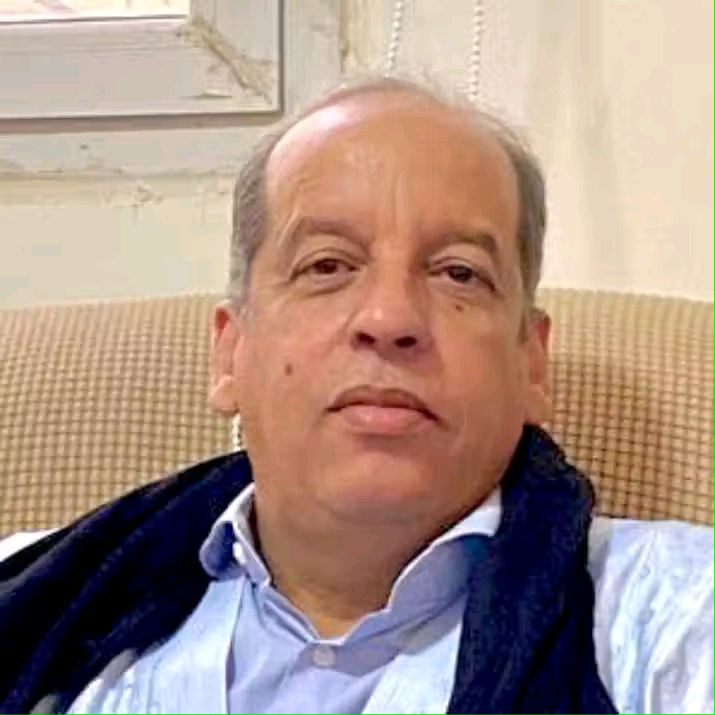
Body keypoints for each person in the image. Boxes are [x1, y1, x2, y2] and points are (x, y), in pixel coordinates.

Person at [0, 77, 712, 715]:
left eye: (458, 273)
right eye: (327, 265)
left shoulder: (676, 617)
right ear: (231, 351)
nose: (389, 318)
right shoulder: (33, 593)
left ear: (531, 361)